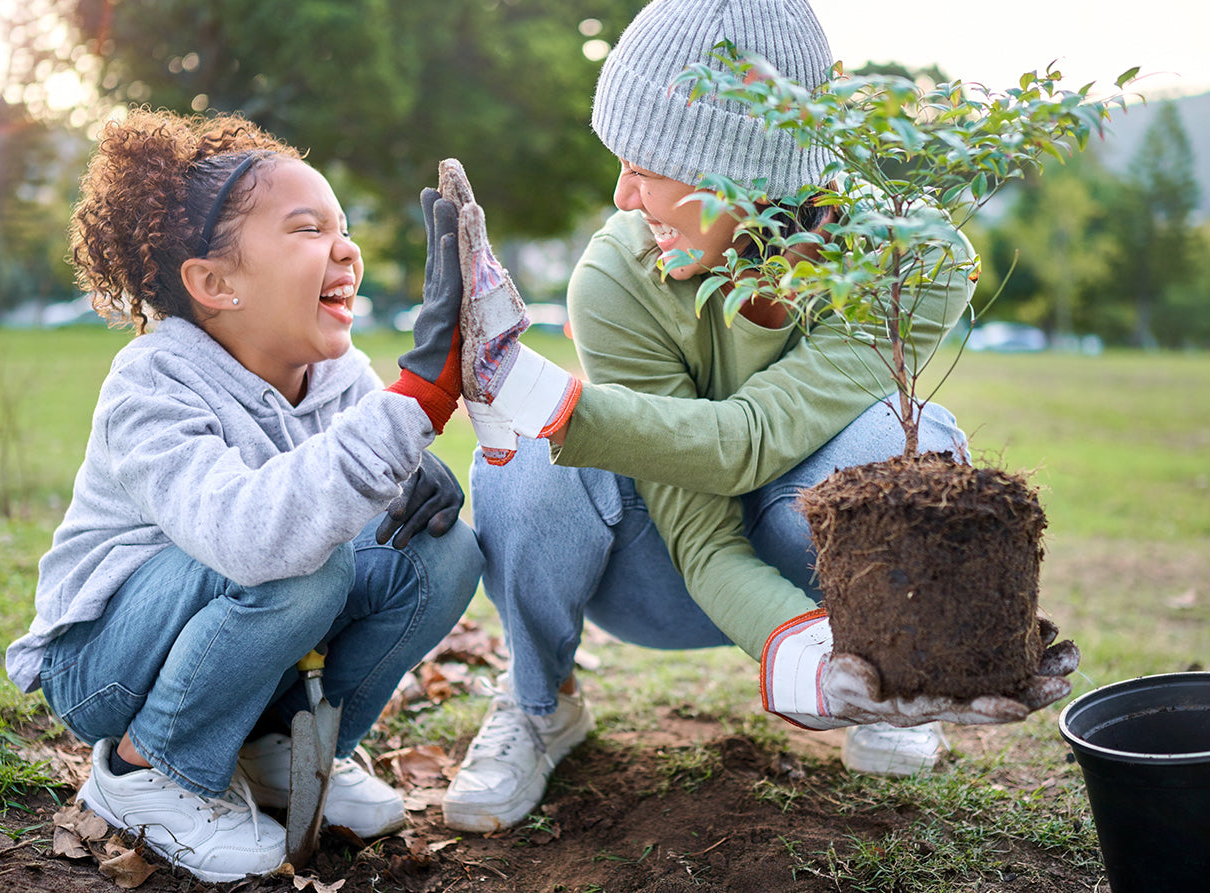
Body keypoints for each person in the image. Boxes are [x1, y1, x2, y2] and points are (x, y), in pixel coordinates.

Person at [437, 0, 1079, 833]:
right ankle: (539, 701)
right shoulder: (618, 277)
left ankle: (890, 673)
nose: (622, 193)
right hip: (653, 571)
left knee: (899, 438)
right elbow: (701, 536)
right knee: (529, 460)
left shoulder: (912, 259)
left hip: (817, 558)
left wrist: (909, 648)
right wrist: (795, 654)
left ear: (741, 172)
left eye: (648, 164)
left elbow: (749, 442)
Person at [4, 108, 483, 882]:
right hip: (105, 661)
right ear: (215, 282)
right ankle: (146, 769)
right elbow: (253, 536)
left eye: (344, 226)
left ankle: (282, 747)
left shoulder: (337, 375)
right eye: (307, 229)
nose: (346, 249)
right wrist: (416, 403)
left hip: (239, 622)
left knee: (439, 550)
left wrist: (402, 464)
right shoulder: (152, 382)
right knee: (300, 562)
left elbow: (350, 478)